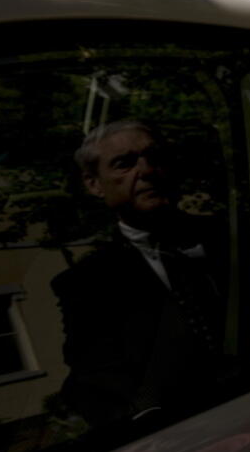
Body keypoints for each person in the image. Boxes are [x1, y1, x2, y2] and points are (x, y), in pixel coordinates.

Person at [53, 120, 232, 428]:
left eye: (156, 158)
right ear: (94, 184)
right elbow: (96, 381)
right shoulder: (86, 285)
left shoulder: (237, 236)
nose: (147, 171)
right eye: (125, 164)